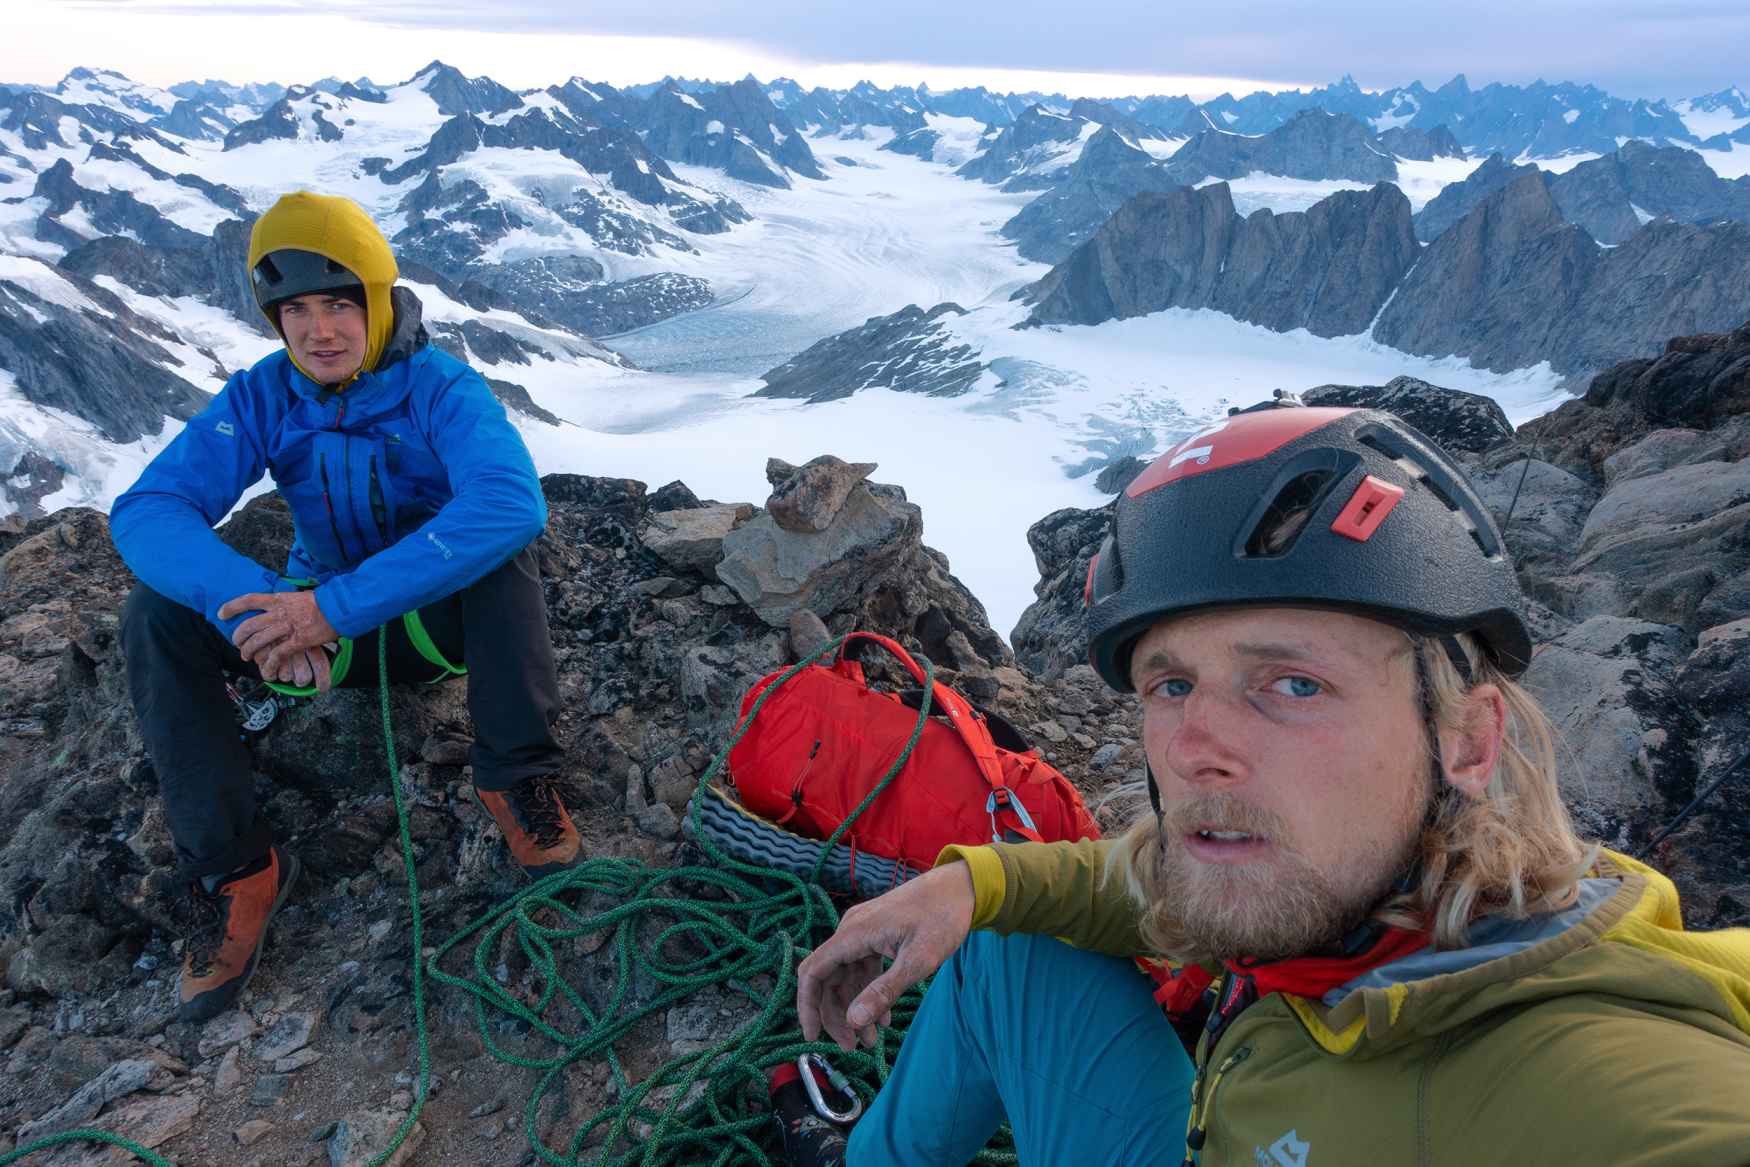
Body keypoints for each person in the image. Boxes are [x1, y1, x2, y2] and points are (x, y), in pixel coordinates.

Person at [796, 403, 1750, 1165]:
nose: (1197, 747)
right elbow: (1164, 885)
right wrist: (976, 884)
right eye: (1173, 683)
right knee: (1007, 949)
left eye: (1293, 682)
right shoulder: (1347, 885)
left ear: (1466, 740)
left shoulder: (1573, 1077)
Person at [112, 191, 584, 1023]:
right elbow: (148, 507)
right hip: (314, 639)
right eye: (295, 308)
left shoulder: (442, 388)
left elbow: (510, 501)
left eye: (340, 303)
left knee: (503, 559)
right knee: (154, 614)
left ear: (378, 299)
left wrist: (332, 608)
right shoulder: (267, 393)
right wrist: (248, 612)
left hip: (423, 630)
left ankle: (516, 778)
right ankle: (238, 870)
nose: (318, 330)